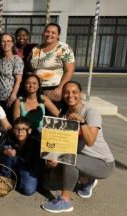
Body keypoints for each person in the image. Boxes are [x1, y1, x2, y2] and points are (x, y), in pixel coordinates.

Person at [42, 81, 114, 213]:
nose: (70, 95)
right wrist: (53, 159)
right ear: (63, 95)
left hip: (104, 163)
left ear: (80, 94)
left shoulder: (91, 112)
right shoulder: (65, 115)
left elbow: (90, 141)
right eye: (66, 92)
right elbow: (62, 142)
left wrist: (82, 122)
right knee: (54, 172)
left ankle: (65, 201)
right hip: (84, 160)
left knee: (70, 161)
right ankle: (87, 179)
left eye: (74, 92)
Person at [29, 23, 75, 104]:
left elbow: (69, 71)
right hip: (35, 88)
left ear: (58, 35)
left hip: (54, 89)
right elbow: (31, 68)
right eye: (47, 32)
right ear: (43, 33)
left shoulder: (64, 48)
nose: (49, 34)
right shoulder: (36, 49)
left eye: (53, 33)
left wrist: (60, 88)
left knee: (52, 115)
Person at [0, 117, 41, 196]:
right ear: (13, 129)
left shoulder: (35, 142)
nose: (20, 132)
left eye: (23, 129)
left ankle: (16, 180)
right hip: (12, 162)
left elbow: (38, 164)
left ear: (29, 130)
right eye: (17, 128)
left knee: (28, 190)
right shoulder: (9, 136)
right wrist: (5, 151)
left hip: (27, 167)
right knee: (7, 148)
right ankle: (5, 179)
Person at [13, 74, 59, 139]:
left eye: (34, 83)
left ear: (38, 86)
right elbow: (16, 123)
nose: (31, 85)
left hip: (42, 134)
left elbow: (58, 115)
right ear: (24, 85)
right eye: (28, 83)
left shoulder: (44, 99)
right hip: (25, 134)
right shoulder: (19, 101)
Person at [0, 33, 23, 121]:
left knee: (10, 122)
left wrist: (13, 95)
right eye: (3, 41)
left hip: (9, 98)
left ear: (13, 43)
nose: (6, 43)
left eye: (9, 41)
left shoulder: (16, 59)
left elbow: (18, 80)